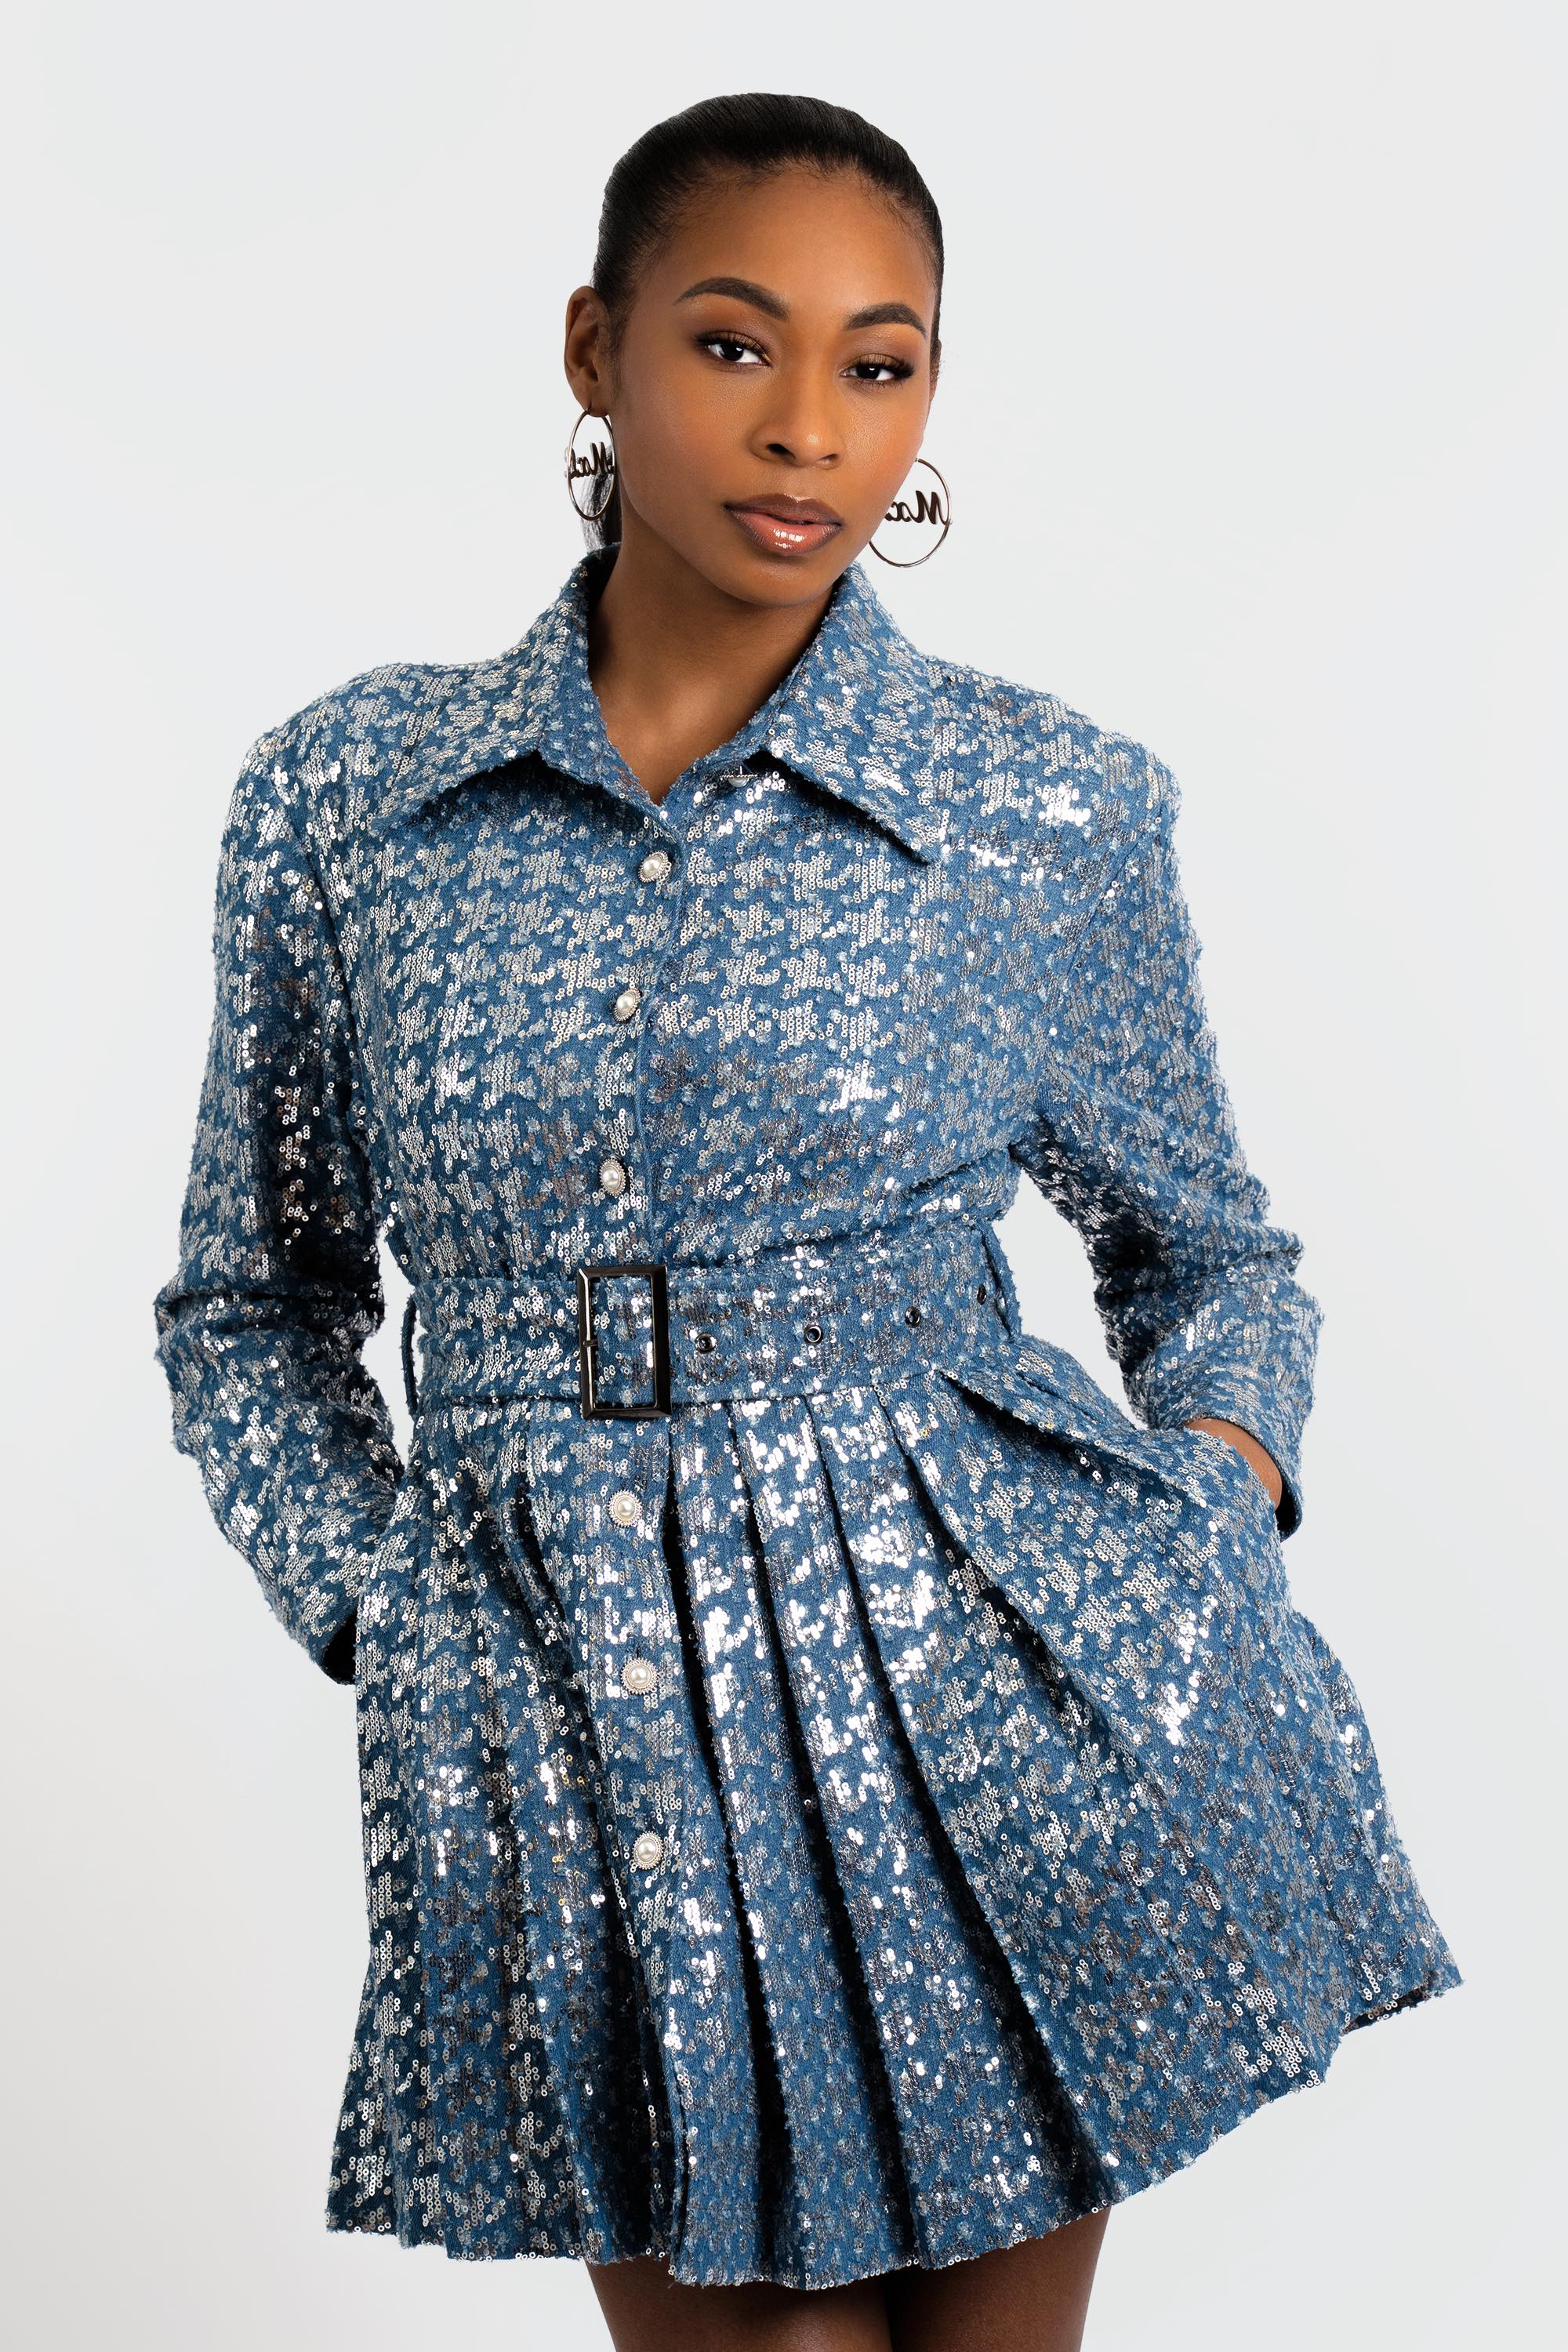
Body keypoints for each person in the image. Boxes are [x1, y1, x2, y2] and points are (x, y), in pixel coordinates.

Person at [151, 90, 1461, 2352]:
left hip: (995, 1713)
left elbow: (1212, 1255)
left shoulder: (1040, 801)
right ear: (596, 348)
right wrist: (386, 1605)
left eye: (884, 363)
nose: (815, 430)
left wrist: (1210, 1507)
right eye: (738, 346)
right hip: (575, 1730)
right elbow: (250, 1302)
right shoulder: (351, 796)